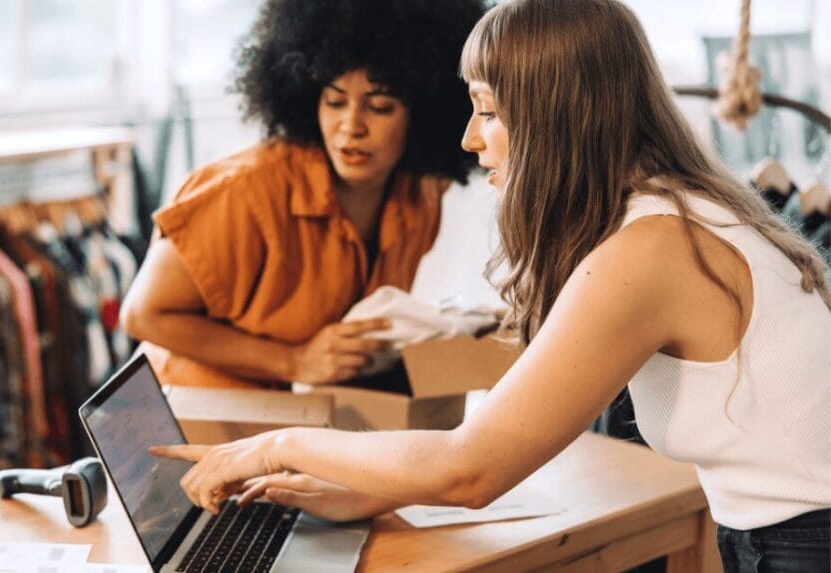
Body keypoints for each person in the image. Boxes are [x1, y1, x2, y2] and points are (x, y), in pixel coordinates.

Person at [150, 0, 831, 569]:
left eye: (490, 111)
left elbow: (469, 469)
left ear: (557, 118)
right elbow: (519, 422)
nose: (473, 138)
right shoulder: (679, 211)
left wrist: (275, 444)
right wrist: (361, 489)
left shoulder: (649, 249)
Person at [119, 0, 485, 389]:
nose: (351, 126)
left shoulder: (419, 197)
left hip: (289, 421)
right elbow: (142, 314)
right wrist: (293, 361)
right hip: (182, 413)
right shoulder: (246, 192)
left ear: (424, 113)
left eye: (379, 106)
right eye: (334, 101)